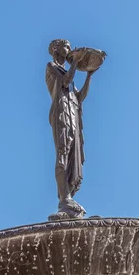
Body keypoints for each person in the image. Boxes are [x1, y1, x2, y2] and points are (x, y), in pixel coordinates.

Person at [45, 39, 94, 219]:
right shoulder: (52, 66)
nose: (69, 49)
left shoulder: (68, 72)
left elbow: (79, 97)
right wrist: (75, 61)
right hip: (61, 114)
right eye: (66, 46)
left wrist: (89, 75)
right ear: (55, 49)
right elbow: (65, 82)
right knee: (63, 153)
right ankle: (64, 199)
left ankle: (70, 196)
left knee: (74, 157)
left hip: (73, 115)